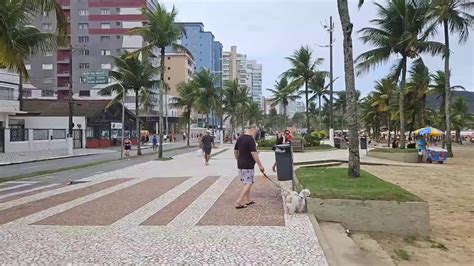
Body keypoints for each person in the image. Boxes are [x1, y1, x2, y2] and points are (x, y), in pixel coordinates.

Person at [234, 125, 265, 209]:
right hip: (248, 165)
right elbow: (254, 153)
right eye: (256, 131)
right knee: (248, 182)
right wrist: (260, 165)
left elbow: (235, 151)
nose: (256, 134)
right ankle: (239, 201)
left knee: (246, 182)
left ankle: (248, 199)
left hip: (241, 164)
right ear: (252, 129)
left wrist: (238, 160)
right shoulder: (250, 139)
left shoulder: (240, 138)